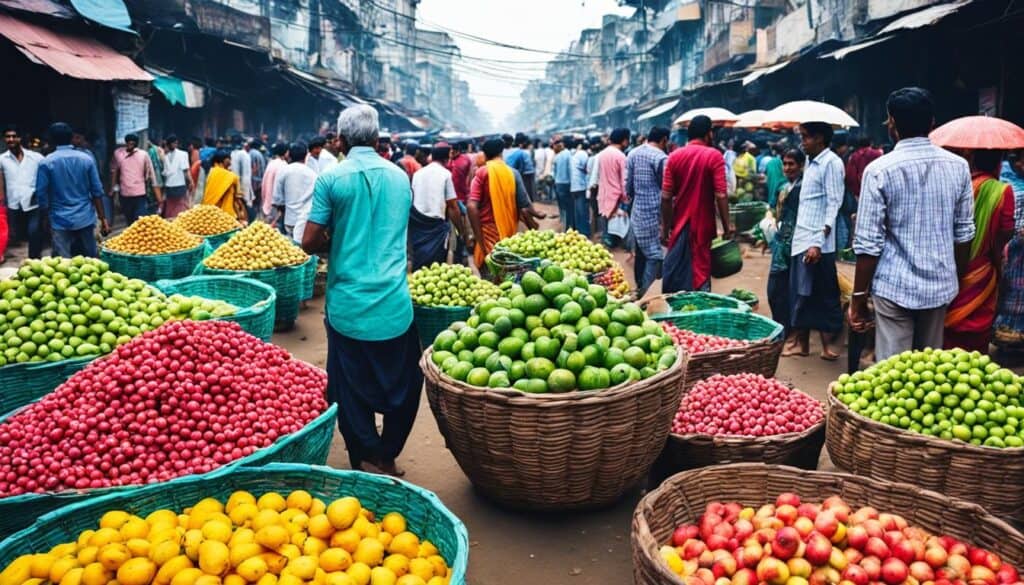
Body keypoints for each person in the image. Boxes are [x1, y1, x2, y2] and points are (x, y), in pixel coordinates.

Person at [301, 105, 421, 477]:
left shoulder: (331, 180)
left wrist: (336, 234)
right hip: (394, 304)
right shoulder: (401, 178)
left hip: (348, 305)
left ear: (340, 140)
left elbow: (308, 241)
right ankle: (387, 453)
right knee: (404, 384)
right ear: (376, 138)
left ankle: (366, 453)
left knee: (349, 388)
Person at [849, 87, 976, 360]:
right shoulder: (959, 167)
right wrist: (955, 278)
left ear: (891, 123)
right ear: (932, 122)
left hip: (894, 286)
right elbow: (963, 234)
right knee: (927, 369)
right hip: (940, 285)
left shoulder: (879, 170)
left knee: (894, 372)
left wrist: (858, 298)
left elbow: (868, 245)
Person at [942, 149, 1015, 352]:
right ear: (999, 163)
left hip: (951, 266)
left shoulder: (958, 185)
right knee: (977, 333)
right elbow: (1006, 232)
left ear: (972, 159)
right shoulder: (1002, 191)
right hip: (982, 270)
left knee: (949, 328)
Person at [788, 121, 845, 360]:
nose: (802, 142)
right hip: (801, 238)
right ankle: (803, 345)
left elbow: (834, 203)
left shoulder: (831, 163)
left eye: (806, 137)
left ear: (820, 138)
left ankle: (827, 347)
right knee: (802, 294)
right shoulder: (811, 161)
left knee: (822, 294)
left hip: (817, 242)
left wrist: (818, 242)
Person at [661, 115, 731, 293]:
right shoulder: (714, 156)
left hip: (679, 225)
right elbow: (721, 194)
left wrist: (665, 228)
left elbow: (666, 197)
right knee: (701, 270)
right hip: (703, 226)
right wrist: (727, 226)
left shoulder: (674, 157)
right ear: (708, 134)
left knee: (678, 271)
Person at [35, 122, 109, 257]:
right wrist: (103, 218)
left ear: (52, 140)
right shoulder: (87, 159)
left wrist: (45, 219)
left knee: (64, 264)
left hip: (59, 219)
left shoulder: (46, 163)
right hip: (85, 217)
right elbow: (97, 191)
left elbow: (42, 195)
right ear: (71, 138)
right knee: (92, 259)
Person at [467, 138, 536, 274]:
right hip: (509, 233)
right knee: (508, 276)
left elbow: (471, 206)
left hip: (487, 233)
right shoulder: (513, 173)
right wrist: (536, 217)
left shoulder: (481, 173)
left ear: (485, 154)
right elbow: (525, 206)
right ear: (501, 152)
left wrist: (479, 241)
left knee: (489, 276)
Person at [768, 150, 808, 355]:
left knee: (791, 292)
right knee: (776, 291)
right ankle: (782, 331)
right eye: (785, 164)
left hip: (796, 244)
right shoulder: (783, 186)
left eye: (791, 164)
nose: (787, 168)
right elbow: (774, 210)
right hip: (781, 243)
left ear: (801, 165)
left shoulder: (804, 187)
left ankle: (793, 335)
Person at [410, 143, 470, 270]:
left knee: (420, 260)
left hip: (417, 224)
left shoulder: (418, 173)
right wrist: (461, 230)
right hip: (436, 225)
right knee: (435, 264)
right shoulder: (445, 174)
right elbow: (453, 206)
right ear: (446, 158)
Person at [626, 126, 669, 297]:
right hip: (653, 212)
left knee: (641, 252)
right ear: (664, 140)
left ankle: (639, 286)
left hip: (637, 211)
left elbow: (628, 186)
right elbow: (667, 191)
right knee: (655, 256)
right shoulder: (661, 158)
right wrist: (665, 223)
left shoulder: (633, 153)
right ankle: (645, 293)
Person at [1, 124, 45, 258]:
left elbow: (47, 174)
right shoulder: (2, 159)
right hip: (14, 202)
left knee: (34, 232)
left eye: (14, 136)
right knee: (16, 234)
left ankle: (35, 259)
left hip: (33, 201)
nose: (11, 139)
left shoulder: (36, 157)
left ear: (20, 138)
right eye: (8, 137)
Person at [270, 142, 318, 243]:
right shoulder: (313, 174)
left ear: (289, 156)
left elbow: (277, 200)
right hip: (308, 221)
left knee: (290, 251)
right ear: (306, 156)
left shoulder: (284, 171)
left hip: (290, 220)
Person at [111, 133, 160, 225]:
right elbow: (114, 171)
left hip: (140, 194)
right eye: (128, 143)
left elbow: (151, 175)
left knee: (139, 220)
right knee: (129, 219)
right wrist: (113, 188)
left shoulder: (143, 155)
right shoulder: (118, 153)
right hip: (125, 193)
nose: (130, 145)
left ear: (136, 144)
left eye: (132, 144)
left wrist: (158, 196)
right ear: (125, 143)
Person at [597, 128, 630, 247]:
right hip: (617, 196)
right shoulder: (621, 156)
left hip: (604, 194)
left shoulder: (602, 154)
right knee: (617, 227)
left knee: (607, 224)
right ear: (624, 141)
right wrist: (626, 197)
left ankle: (605, 245)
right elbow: (624, 180)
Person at [203, 149, 247, 223]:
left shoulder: (212, 172)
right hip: (226, 215)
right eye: (229, 158)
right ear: (223, 160)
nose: (230, 161)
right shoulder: (231, 176)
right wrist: (241, 214)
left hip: (209, 213)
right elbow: (238, 198)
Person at [161, 135, 194, 219]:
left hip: (180, 184)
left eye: (176, 143)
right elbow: (165, 172)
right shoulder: (165, 156)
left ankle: (182, 221)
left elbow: (186, 170)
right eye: (173, 143)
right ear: (169, 144)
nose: (175, 144)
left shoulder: (183, 154)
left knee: (181, 205)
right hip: (169, 185)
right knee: (170, 206)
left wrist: (190, 181)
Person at [505, 133, 536, 201]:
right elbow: (522, 166)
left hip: (511, 175)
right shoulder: (521, 152)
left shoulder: (504, 152)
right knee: (526, 196)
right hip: (524, 174)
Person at [261, 142, 288, 221]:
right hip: (276, 204)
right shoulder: (283, 165)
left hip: (267, 201)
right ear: (285, 152)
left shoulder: (271, 163)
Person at [229, 136, 253, 219]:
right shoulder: (244, 154)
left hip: (237, 184)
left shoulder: (234, 154)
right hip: (242, 185)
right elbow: (246, 174)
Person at [571, 138, 591, 234]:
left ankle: (578, 231)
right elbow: (587, 169)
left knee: (577, 211)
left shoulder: (575, 154)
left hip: (573, 186)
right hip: (579, 185)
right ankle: (584, 232)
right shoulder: (583, 154)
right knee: (582, 211)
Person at [552, 138, 572, 228]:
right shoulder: (569, 155)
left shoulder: (557, 156)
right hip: (567, 183)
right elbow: (570, 170)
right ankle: (568, 226)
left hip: (558, 183)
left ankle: (563, 223)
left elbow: (554, 172)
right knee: (569, 207)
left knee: (562, 206)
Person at [764, 144, 787, 208]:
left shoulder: (770, 162)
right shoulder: (780, 162)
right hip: (781, 194)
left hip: (773, 195)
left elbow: (766, 177)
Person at [249, 140, 267, 216]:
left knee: (253, 201)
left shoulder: (251, 153)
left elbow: (254, 168)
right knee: (258, 202)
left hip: (254, 180)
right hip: (260, 180)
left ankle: (253, 217)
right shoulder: (259, 154)